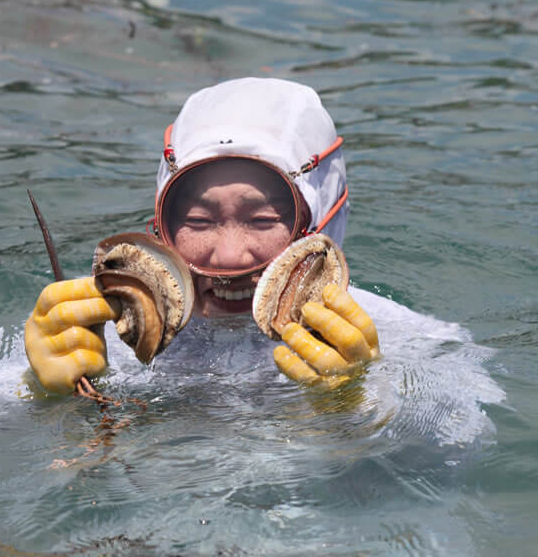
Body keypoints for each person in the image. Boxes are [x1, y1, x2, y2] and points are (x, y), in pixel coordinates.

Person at [25, 78, 380, 394]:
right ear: (162, 230)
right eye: (197, 220)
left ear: (323, 224)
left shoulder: (390, 342)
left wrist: (358, 402)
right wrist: (40, 390)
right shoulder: (95, 338)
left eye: (261, 220)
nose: (228, 257)